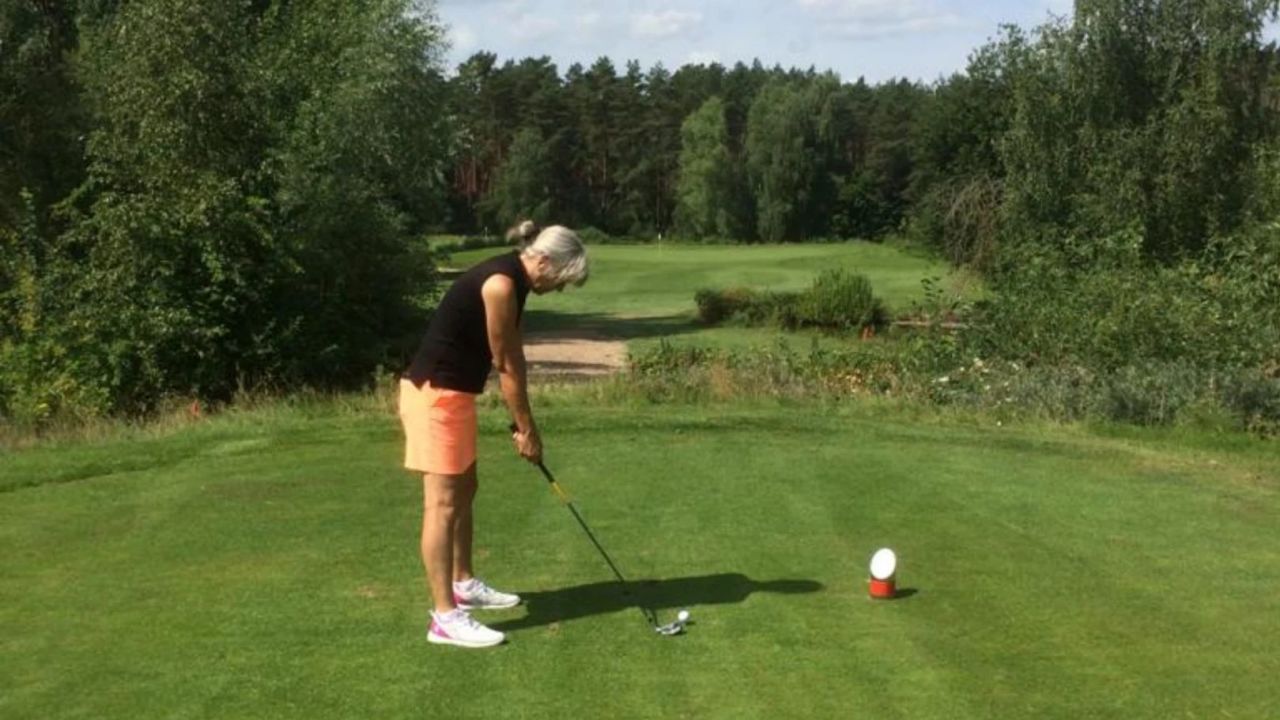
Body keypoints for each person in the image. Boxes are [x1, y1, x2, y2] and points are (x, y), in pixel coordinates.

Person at [398, 221, 589, 649]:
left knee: (466, 489)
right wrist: (527, 429)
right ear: (544, 261)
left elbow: (513, 355)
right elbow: (506, 365)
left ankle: (462, 582)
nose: (560, 288)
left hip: (455, 395)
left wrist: (526, 425)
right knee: (442, 505)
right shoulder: (501, 284)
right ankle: (444, 617)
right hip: (435, 397)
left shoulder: (516, 281)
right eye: (561, 278)